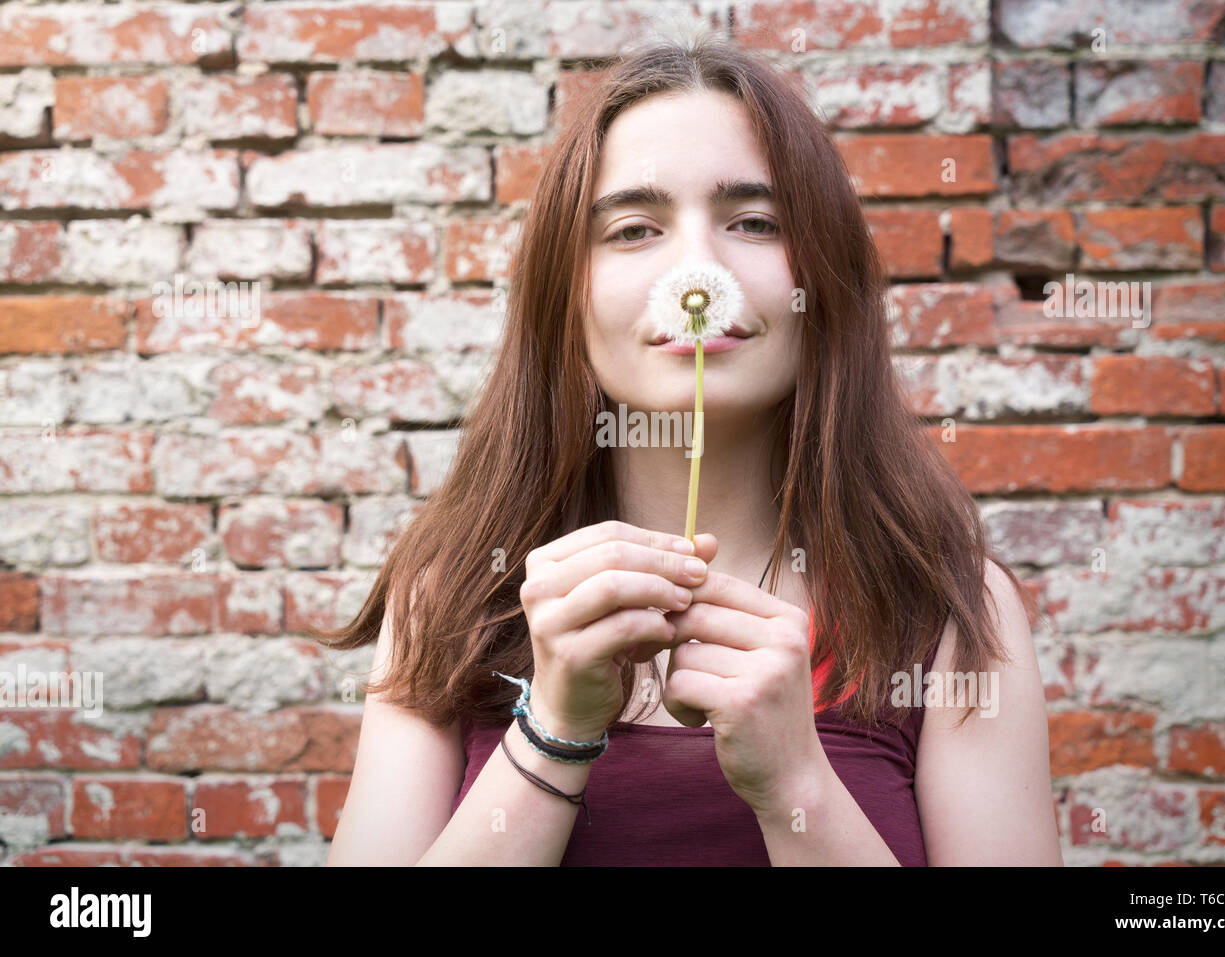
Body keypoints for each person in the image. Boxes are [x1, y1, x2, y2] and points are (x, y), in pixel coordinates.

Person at [315, 33, 1063, 866]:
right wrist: (555, 728)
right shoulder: (449, 597)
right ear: (568, 292)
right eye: (634, 229)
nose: (702, 268)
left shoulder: (948, 610)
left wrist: (794, 785)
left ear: (825, 275)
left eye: (755, 222)